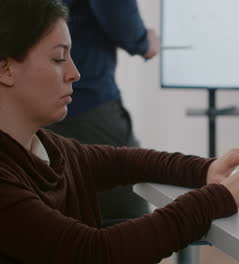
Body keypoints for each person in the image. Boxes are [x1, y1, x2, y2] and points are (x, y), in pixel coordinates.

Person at [0, 0, 239, 263]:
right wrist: (218, 197)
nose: (74, 73)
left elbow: (123, 161)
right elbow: (96, 252)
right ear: (6, 69)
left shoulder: (47, 147)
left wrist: (206, 168)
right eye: (57, 58)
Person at [46, 0, 160, 224]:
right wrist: (145, 41)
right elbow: (119, 17)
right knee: (126, 218)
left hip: (29, 100)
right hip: (85, 105)